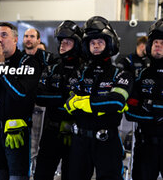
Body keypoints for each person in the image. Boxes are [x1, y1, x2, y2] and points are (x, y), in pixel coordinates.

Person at [64, 16, 133, 180]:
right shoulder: (79, 73)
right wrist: (102, 106)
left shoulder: (122, 74)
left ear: (109, 43)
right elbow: (69, 104)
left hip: (107, 141)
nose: (95, 46)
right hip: (79, 141)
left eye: (100, 42)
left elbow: (116, 101)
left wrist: (85, 102)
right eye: (92, 43)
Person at [0, 22, 41, 180]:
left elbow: (19, 93)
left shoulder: (28, 62)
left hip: (17, 130)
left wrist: (0, 68)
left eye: (4, 35)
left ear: (15, 39)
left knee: (17, 177)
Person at [34, 20, 83, 180]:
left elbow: (86, 101)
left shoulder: (85, 69)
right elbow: (39, 96)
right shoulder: (52, 67)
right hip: (51, 132)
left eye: (67, 42)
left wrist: (55, 97)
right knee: (41, 175)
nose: (62, 45)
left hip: (75, 135)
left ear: (77, 44)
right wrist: (66, 97)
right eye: (61, 41)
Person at [125, 19, 163, 180]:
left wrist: (151, 106)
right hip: (147, 146)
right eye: (155, 42)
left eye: (162, 43)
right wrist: (157, 114)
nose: (158, 45)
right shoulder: (141, 76)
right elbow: (130, 112)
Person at [21, 28, 53, 172]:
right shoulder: (19, 58)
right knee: (24, 145)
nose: (28, 39)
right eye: (26, 36)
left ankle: (36, 171)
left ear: (38, 40)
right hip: (22, 105)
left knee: (39, 144)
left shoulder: (49, 58)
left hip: (42, 106)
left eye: (32, 36)